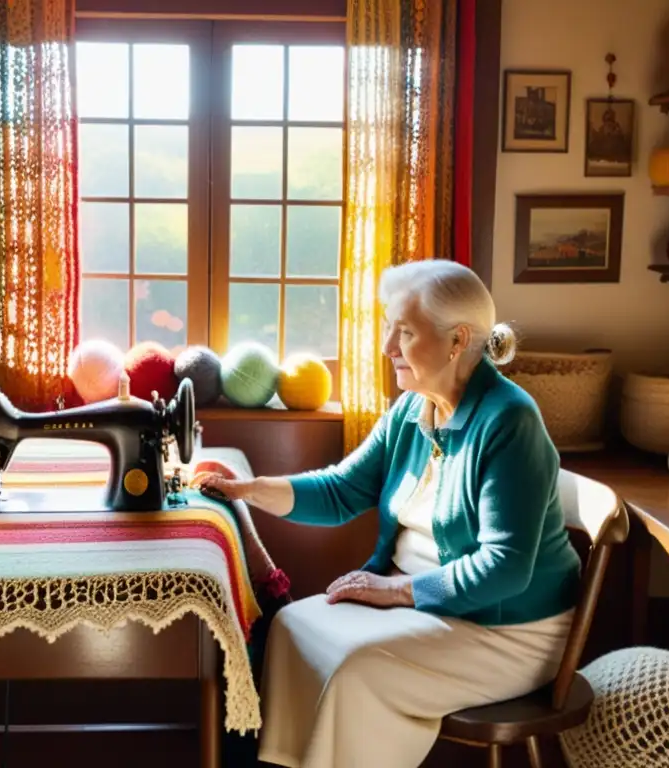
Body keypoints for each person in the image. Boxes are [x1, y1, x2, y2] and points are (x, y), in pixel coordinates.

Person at [195, 260, 582, 768]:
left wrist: (396, 591)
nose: (386, 348)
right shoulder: (412, 409)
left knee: (357, 671)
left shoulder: (510, 421)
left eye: (404, 332)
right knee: (290, 628)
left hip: (507, 629)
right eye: (387, 328)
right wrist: (247, 490)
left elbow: (505, 567)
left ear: (457, 341)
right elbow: (341, 490)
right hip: (426, 607)